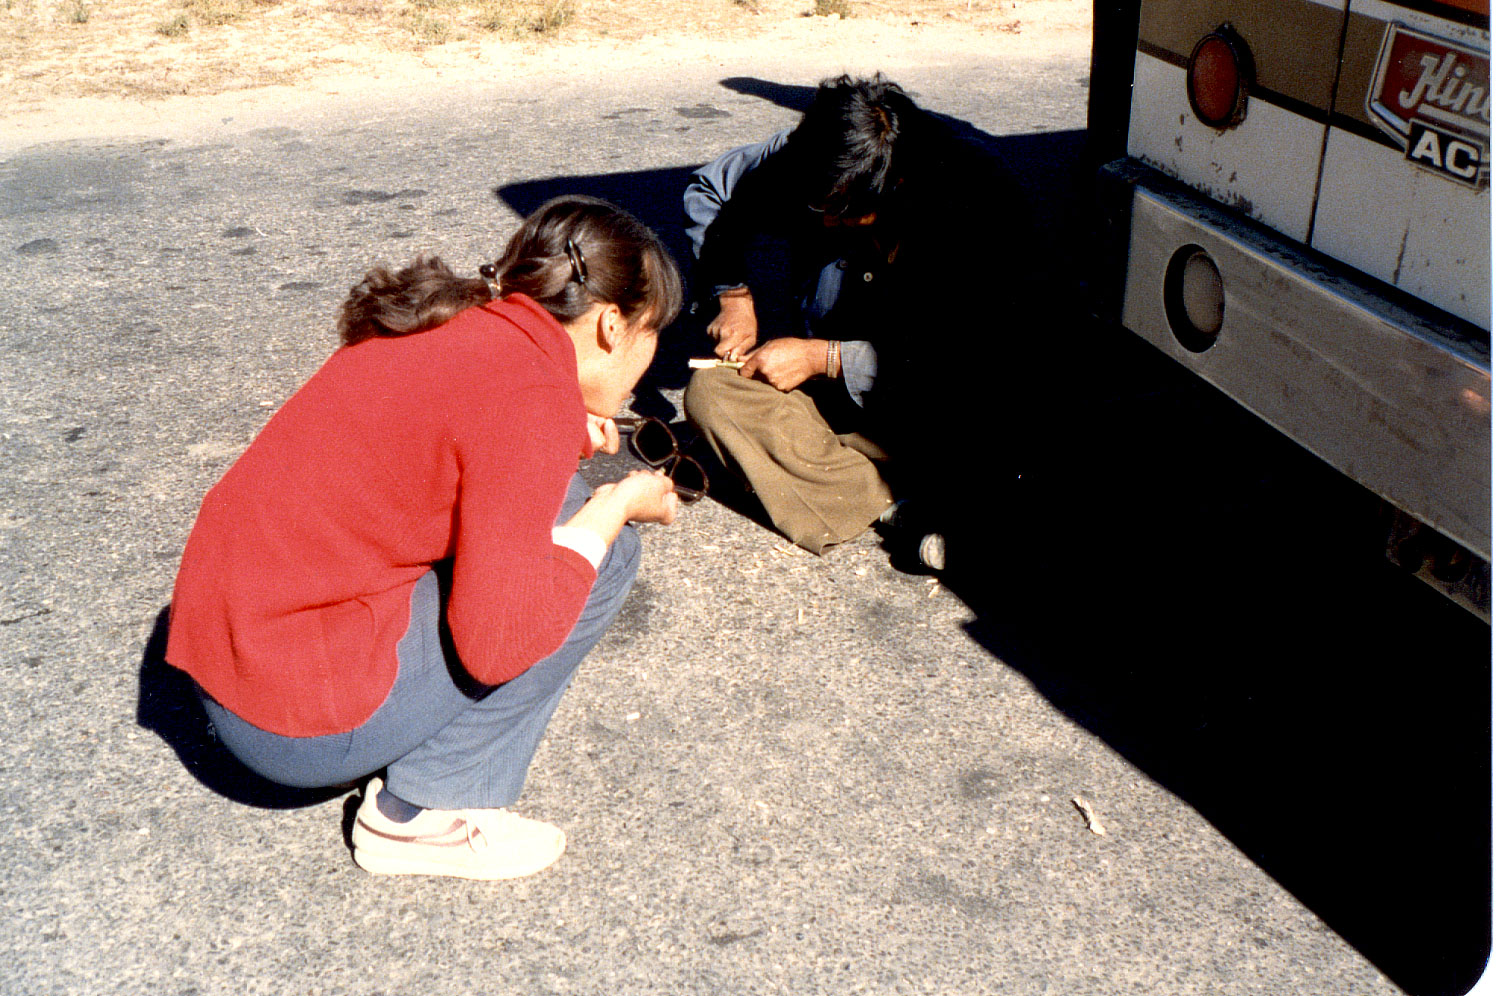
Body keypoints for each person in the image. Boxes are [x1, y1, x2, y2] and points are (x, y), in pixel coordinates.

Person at [166, 195, 683, 880]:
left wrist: (559, 440)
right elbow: (497, 643)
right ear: (614, 326)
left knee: (563, 502)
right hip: (285, 723)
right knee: (606, 550)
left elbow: (452, 453)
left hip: (231, 656)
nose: (650, 358)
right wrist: (615, 507)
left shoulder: (470, 327)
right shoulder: (527, 396)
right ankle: (422, 813)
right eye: (653, 335)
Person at [681, 74, 1038, 568]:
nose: (826, 225)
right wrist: (734, 295)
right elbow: (710, 192)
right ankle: (892, 503)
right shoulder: (805, 154)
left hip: (939, 394)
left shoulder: (974, 192)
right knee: (712, 395)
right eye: (817, 209)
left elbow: (984, 349)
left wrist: (825, 358)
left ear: (896, 182)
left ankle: (933, 494)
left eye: (845, 213)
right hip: (843, 402)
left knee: (1010, 425)